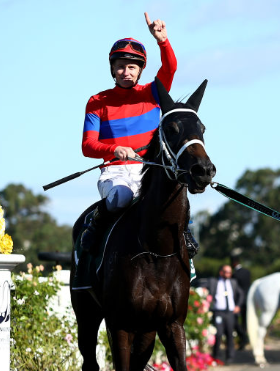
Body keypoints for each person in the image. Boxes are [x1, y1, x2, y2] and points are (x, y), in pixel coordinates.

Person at [80, 12, 198, 257]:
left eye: (132, 67)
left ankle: (184, 235)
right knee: (122, 197)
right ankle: (95, 225)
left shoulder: (153, 92)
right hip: (115, 171)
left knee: (175, 194)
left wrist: (163, 41)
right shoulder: (97, 102)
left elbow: (171, 67)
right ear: (112, 69)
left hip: (149, 168)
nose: (126, 72)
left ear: (140, 70)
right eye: (121, 66)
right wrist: (114, 150)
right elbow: (88, 146)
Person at [207, 265, 245, 364]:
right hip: (218, 311)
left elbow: (241, 294)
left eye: (230, 272)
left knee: (229, 334)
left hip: (230, 312)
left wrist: (238, 306)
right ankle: (216, 356)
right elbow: (206, 290)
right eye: (226, 272)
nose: (229, 274)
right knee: (218, 334)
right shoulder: (214, 282)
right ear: (221, 272)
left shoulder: (233, 283)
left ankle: (230, 357)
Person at [231, 255, 251, 350]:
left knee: (235, 321)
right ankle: (243, 341)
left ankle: (243, 338)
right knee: (244, 322)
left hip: (239, 301)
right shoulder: (247, 272)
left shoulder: (235, 274)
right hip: (248, 300)